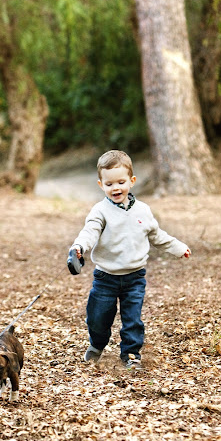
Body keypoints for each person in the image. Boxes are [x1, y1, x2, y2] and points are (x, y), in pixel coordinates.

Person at [70, 149, 191, 370]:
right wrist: (79, 247)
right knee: (98, 318)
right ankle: (97, 345)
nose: (115, 188)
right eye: (109, 184)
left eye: (121, 182)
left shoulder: (143, 211)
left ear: (131, 181)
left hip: (135, 277)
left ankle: (131, 354)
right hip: (105, 278)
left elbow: (157, 236)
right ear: (101, 185)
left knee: (133, 319)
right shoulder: (100, 211)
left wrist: (178, 248)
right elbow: (90, 232)